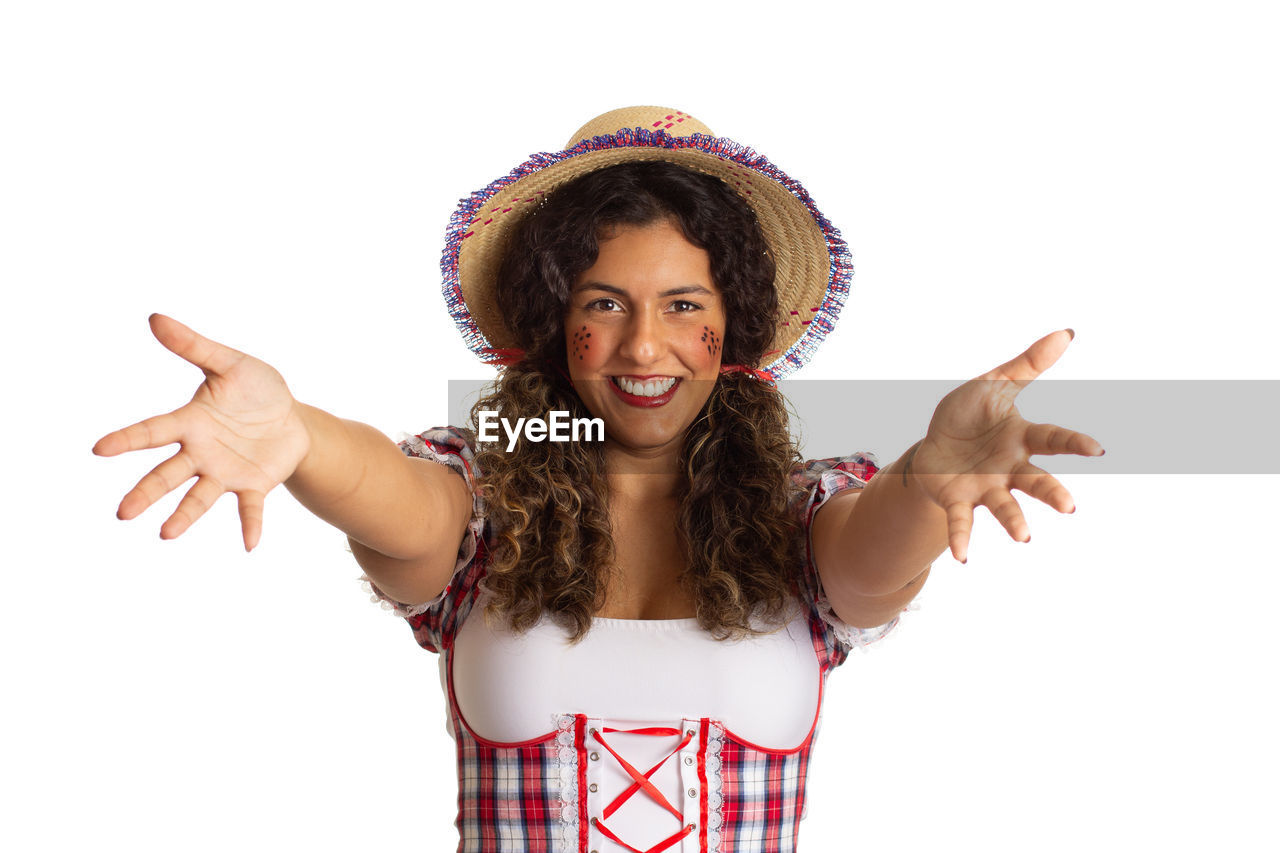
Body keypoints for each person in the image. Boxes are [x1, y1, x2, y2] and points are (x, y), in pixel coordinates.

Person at [93, 106, 1103, 852]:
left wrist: (928, 481)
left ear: (732, 330)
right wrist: (301, 434)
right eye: (604, 303)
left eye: (680, 305)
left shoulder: (801, 515)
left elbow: (872, 559)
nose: (642, 346)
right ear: (552, 324)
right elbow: (396, 503)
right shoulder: (483, 503)